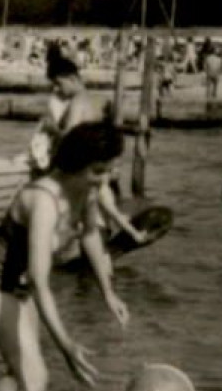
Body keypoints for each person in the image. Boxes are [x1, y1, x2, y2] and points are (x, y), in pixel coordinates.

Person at [0, 123, 126, 391]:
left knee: (19, 372)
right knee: (37, 378)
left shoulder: (86, 189)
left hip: (20, 283)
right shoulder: (44, 200)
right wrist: (66, 347)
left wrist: (108, 291)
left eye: (109, 170)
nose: (104, 179)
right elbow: (40, 283)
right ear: (76, 165)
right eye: (98, 171)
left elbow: (90, 234)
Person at [29, 50, 148, 251]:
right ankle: (124, 232)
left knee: (80, 207)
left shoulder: (77, 102)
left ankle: (58, 248)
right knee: (102, 203)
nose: (57, 90)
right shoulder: (97, 100)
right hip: (98, 163)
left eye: (59, 84)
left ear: (72, 78)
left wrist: (52, 129)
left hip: (80, 166)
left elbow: (71, 136)